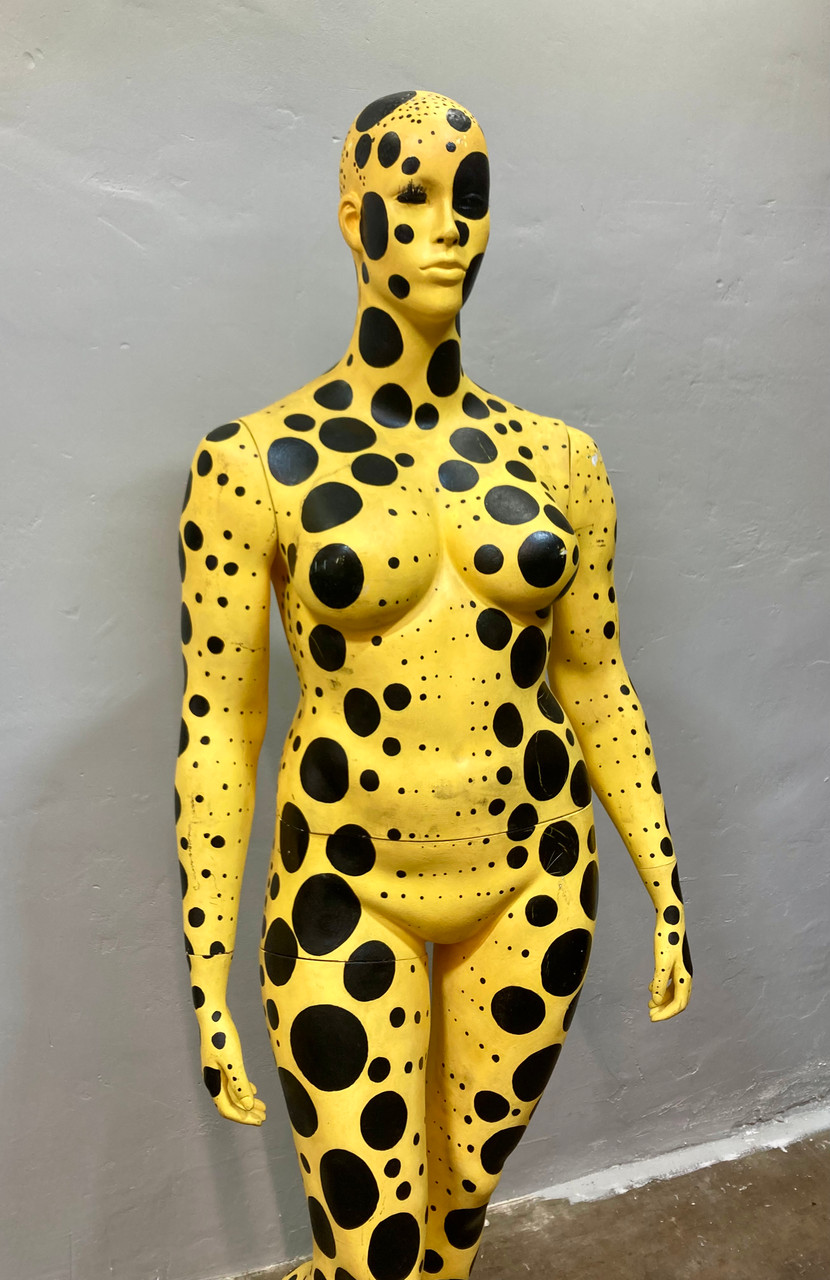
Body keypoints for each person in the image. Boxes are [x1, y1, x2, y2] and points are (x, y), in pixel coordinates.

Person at [175, 89, 692, 1280]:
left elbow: (595, 676)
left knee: (452, 1230)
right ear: (349, 212)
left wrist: (662, 874)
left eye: (469, 196)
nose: (446, 224)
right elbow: (218, 725)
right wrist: (208, 967)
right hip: (344, 887)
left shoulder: (558, 458)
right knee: (374, 1253)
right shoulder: (249, 464)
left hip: (536, 878)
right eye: (408, 193)